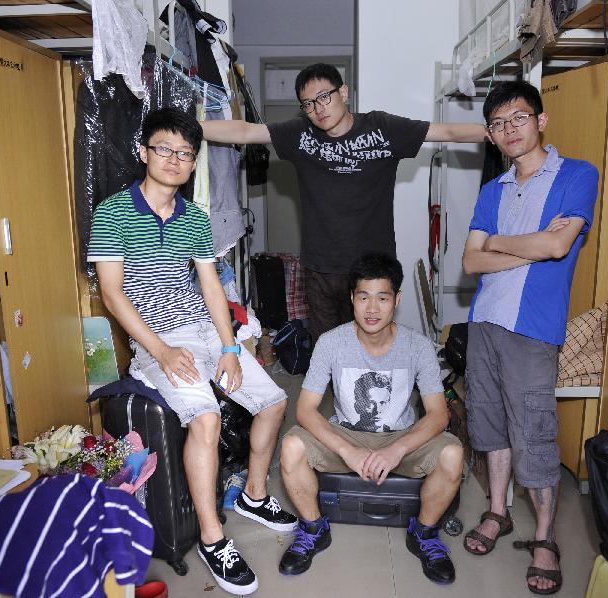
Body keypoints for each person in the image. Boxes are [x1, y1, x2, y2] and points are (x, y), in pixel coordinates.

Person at [87, 108, 297, 596]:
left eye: (185, 154)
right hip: (157, 343)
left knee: (273, 402)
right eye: (164, 149)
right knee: (205, 419)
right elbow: (113, 295)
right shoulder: (113, 212)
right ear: (144, 152)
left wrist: (229, 347)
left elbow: (208, 285)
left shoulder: (195, 219)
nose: (174, 160)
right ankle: (212, 537)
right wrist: (159, 351)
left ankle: (254, 494)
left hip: (204, 332)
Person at [201, 63, 487, 341]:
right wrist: (186, 127)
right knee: (329, 352)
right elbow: (245, 132)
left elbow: (446, 132)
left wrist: (495, 131)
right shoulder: (300, 134)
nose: (318, 108)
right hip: (320, 269)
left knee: (371, 350)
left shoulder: (382, 128)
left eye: (324, 97)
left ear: (344, 93)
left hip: (372, 270)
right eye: (309, 103)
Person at [461, 81, 599, 595]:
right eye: (497, 124)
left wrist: (499, 242)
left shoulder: (577, 175)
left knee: (535, 434)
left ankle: (545, 538)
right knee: (490, 426)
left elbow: (560, 244)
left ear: (540, 120)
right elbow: (471, 260)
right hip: (485, 323)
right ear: (491, 136)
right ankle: (498, 512)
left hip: (533, 328)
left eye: (518, 118)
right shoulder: (491, 191)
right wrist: (529, 248)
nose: (508, 130)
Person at [278, 253, 464, 585]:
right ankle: (314, 529)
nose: (372, 308)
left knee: (452, 453)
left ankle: (423, 534)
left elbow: (437, 415)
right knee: (292, 445)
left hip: (400, 439)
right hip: (346, 437)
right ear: (352, 299)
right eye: (363, 297)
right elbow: (305, 410)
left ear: (397, 300)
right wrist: (348, 451)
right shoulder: (330, 343)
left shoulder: (417, 346)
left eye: (382, 297)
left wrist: (397, 450)